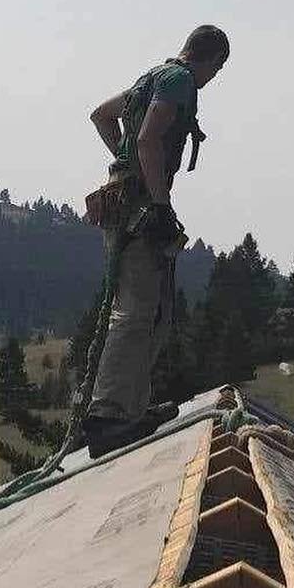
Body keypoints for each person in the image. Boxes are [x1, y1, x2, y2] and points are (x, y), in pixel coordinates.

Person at [83, 25, 230, 457]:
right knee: (136, 309)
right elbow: (148, 139)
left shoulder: (151, 77)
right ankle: (109, 415)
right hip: (142, 207)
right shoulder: (179, 81)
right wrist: (160, 203)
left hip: (130, 200)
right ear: (211, 59)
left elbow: (102, 115)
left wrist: (121, 160)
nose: (212, 79)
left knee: (157, 311)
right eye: (217, 70)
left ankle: (129, 409)